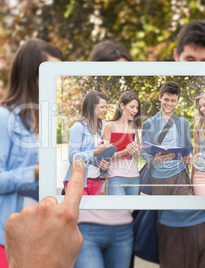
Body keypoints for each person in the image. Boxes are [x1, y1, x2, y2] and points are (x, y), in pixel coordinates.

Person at [5, 112, 205, 268]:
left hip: (124, 222)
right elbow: (101, 159)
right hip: (94, 219)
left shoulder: (153, 127)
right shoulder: (95, 129)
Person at [0, 38, 64, 268]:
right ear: (31, 74)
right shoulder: (2, 119)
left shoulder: (39, 122)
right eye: (53, 73)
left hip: (31, 239)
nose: (59, 81)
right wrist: (36, 171)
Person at [150, 20, 205, 268]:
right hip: (174, 220)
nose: (197, 67)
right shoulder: (190, 122)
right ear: (176, 55)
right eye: (190, 59)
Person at [68, 41, 135, 268]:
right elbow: (74, 158)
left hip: (123, 224)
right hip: (86, 225)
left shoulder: (106, 127)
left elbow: (103, 165)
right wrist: (96, 153)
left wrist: (107, 160)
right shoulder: (79, 128)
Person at [63, 90, 110, 196]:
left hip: (96, 182)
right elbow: (73, 157)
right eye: (102, 107)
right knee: (80, 213)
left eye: (105, 107)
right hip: (79, 182)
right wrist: (97, 151)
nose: (105, 110)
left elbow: (98, 158)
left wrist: (104, 166)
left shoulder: (100, 129)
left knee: (92, 213)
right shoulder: (78, 127)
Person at [103, 91, 141, 195]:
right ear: (122, 105)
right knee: (119, 211)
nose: (135, 111)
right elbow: (105, 156)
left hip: (134, 177)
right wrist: (124, 151)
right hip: (115, 178)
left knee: (131, 211)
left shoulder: (134, 127)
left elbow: (137, 155)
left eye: (137, 108)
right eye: (132, 107)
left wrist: (135, 151)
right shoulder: (109, 126)